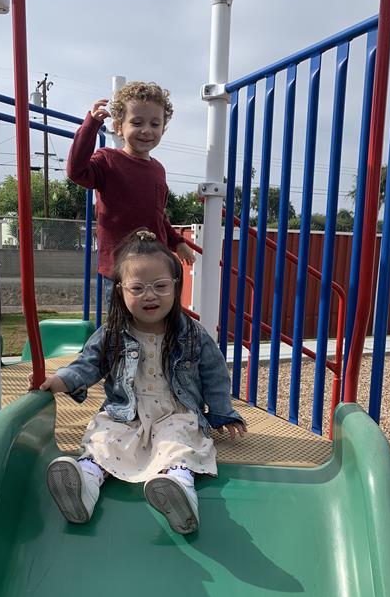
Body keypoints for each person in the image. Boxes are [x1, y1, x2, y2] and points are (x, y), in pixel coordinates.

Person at [33, 230, 246, 535]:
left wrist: (223, 412)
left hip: (175, 411)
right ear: (121, 291)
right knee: (104, 440)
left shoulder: (193, 334)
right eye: (138, 288)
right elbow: (88, 364)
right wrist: (60, 380)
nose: (150, 295)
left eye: (160, 286)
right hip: (126, 412)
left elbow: (215, 376)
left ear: (176, 287)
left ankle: (179, 488)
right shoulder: (112, 332)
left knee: (178, 444)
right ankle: (85, 485)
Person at [66, 81, 195, 307]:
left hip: (155, 266)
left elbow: (157, 216)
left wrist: (177, 242)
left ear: (163, 128)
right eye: (137, 122)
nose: (147, 130)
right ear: (118, 126)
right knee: (121, 330)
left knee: (157, 325)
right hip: (120, 268)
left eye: (155, 124)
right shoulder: (108, 160)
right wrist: (91, 126)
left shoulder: (158, 170)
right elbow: (77, 171)